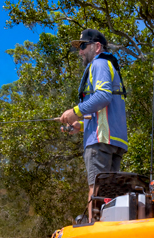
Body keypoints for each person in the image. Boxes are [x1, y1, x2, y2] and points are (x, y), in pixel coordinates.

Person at [55, 29, 128, 219]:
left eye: (83, 46)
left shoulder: (99, 63)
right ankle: (108, 231)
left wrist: (75, 111)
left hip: (100, 141)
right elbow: (105, 110)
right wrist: (80, 124)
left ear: (97, 47)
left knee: (95, 189)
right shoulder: (108, 65)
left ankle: (95, 228)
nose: (80, 52)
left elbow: (103, 96)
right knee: (109, 193)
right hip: (114, 140)